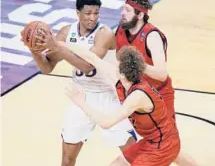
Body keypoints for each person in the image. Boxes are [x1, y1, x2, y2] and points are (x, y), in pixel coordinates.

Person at [23, 0, 136, 166]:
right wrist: (34, 50)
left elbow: (87, 65)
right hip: (80, 95)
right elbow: (47, 68)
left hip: (109, 96)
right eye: (88, 13)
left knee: (134, 156)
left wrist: (58, 48)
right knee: (67, 159)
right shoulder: (66, 32)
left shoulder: (104, 33)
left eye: (96, 13)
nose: (92, 18)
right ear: (78, 13)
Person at [45, 41, 180, 166]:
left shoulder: (137, 96)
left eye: (117, 64)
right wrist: (60, 43)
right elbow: (92, 58)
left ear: (122, 73)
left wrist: (81, 102)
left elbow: (106, 123)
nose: (113, 64)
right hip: (153, 141)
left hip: (163, 147)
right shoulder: (124, 81)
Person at [114, 0, 197, 166]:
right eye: (123, 8)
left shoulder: (151, 36)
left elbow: (161, 73)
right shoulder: (121, 31)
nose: (122, 12)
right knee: (163, 147)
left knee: (167, 146)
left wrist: (136, 63)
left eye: (128, 10)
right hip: (138, 94)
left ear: (140, 14)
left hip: (160, 96)